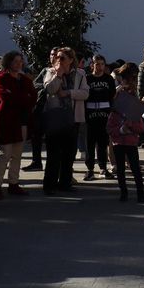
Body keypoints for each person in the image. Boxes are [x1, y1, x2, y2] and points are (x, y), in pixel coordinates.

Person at [37, 47, 89, 195]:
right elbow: (50, 90)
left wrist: (68, 93)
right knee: (53, 154)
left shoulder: (80, 74)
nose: (58, 60)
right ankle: (49, 185)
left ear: (71, 60)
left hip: (73, 118)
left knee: (69, 153)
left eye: (62, 58)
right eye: (57, 57)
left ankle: (65, 183)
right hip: (55, 118)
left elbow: (85, 93)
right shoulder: (51, 72)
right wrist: (58, 74)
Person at [0, 51, 37, 199]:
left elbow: (33, 97)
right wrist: (23, 98)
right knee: (4, 154)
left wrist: (20, 98)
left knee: (17, 155)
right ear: (8, 63)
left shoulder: (25, 80)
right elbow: (6, 99)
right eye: (15, 61)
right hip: (6, 122)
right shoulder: (1, 79)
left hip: (22, 121)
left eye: (20, 61)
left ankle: (14, 183)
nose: (19, 64)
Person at [107, 63, 144, 203]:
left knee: (135, 168)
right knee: (121, 170)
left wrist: (131, 126)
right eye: (128, 80)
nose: (130, 83)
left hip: (130, 140)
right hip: (119, 139)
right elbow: (110, 126)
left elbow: (140, 126)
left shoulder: (134, 96)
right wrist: (120, 130)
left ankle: (140, 193)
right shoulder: (117, 98)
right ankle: (124, 193)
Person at [23, 47, 59, 172]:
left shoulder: (63, 72)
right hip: (41, 108)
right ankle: (36, 161)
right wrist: (45, 86)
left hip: (55, 110)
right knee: (36, 136)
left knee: (52, 140)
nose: (53, 57)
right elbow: (35, 84)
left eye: (55, 54)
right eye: (51, 54)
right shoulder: (46, 71)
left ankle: (54, 164)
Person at [84, 54, 115, 181]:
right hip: (90, 115)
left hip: (104, 114)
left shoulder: (109, 79)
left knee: (103, 143)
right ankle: (90, 169)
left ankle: (103, 168)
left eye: (102, 64)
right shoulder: (87, 79)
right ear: (92, 65)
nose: (100, 67)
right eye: (97, 64)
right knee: (89, 143)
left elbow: (112, 96)